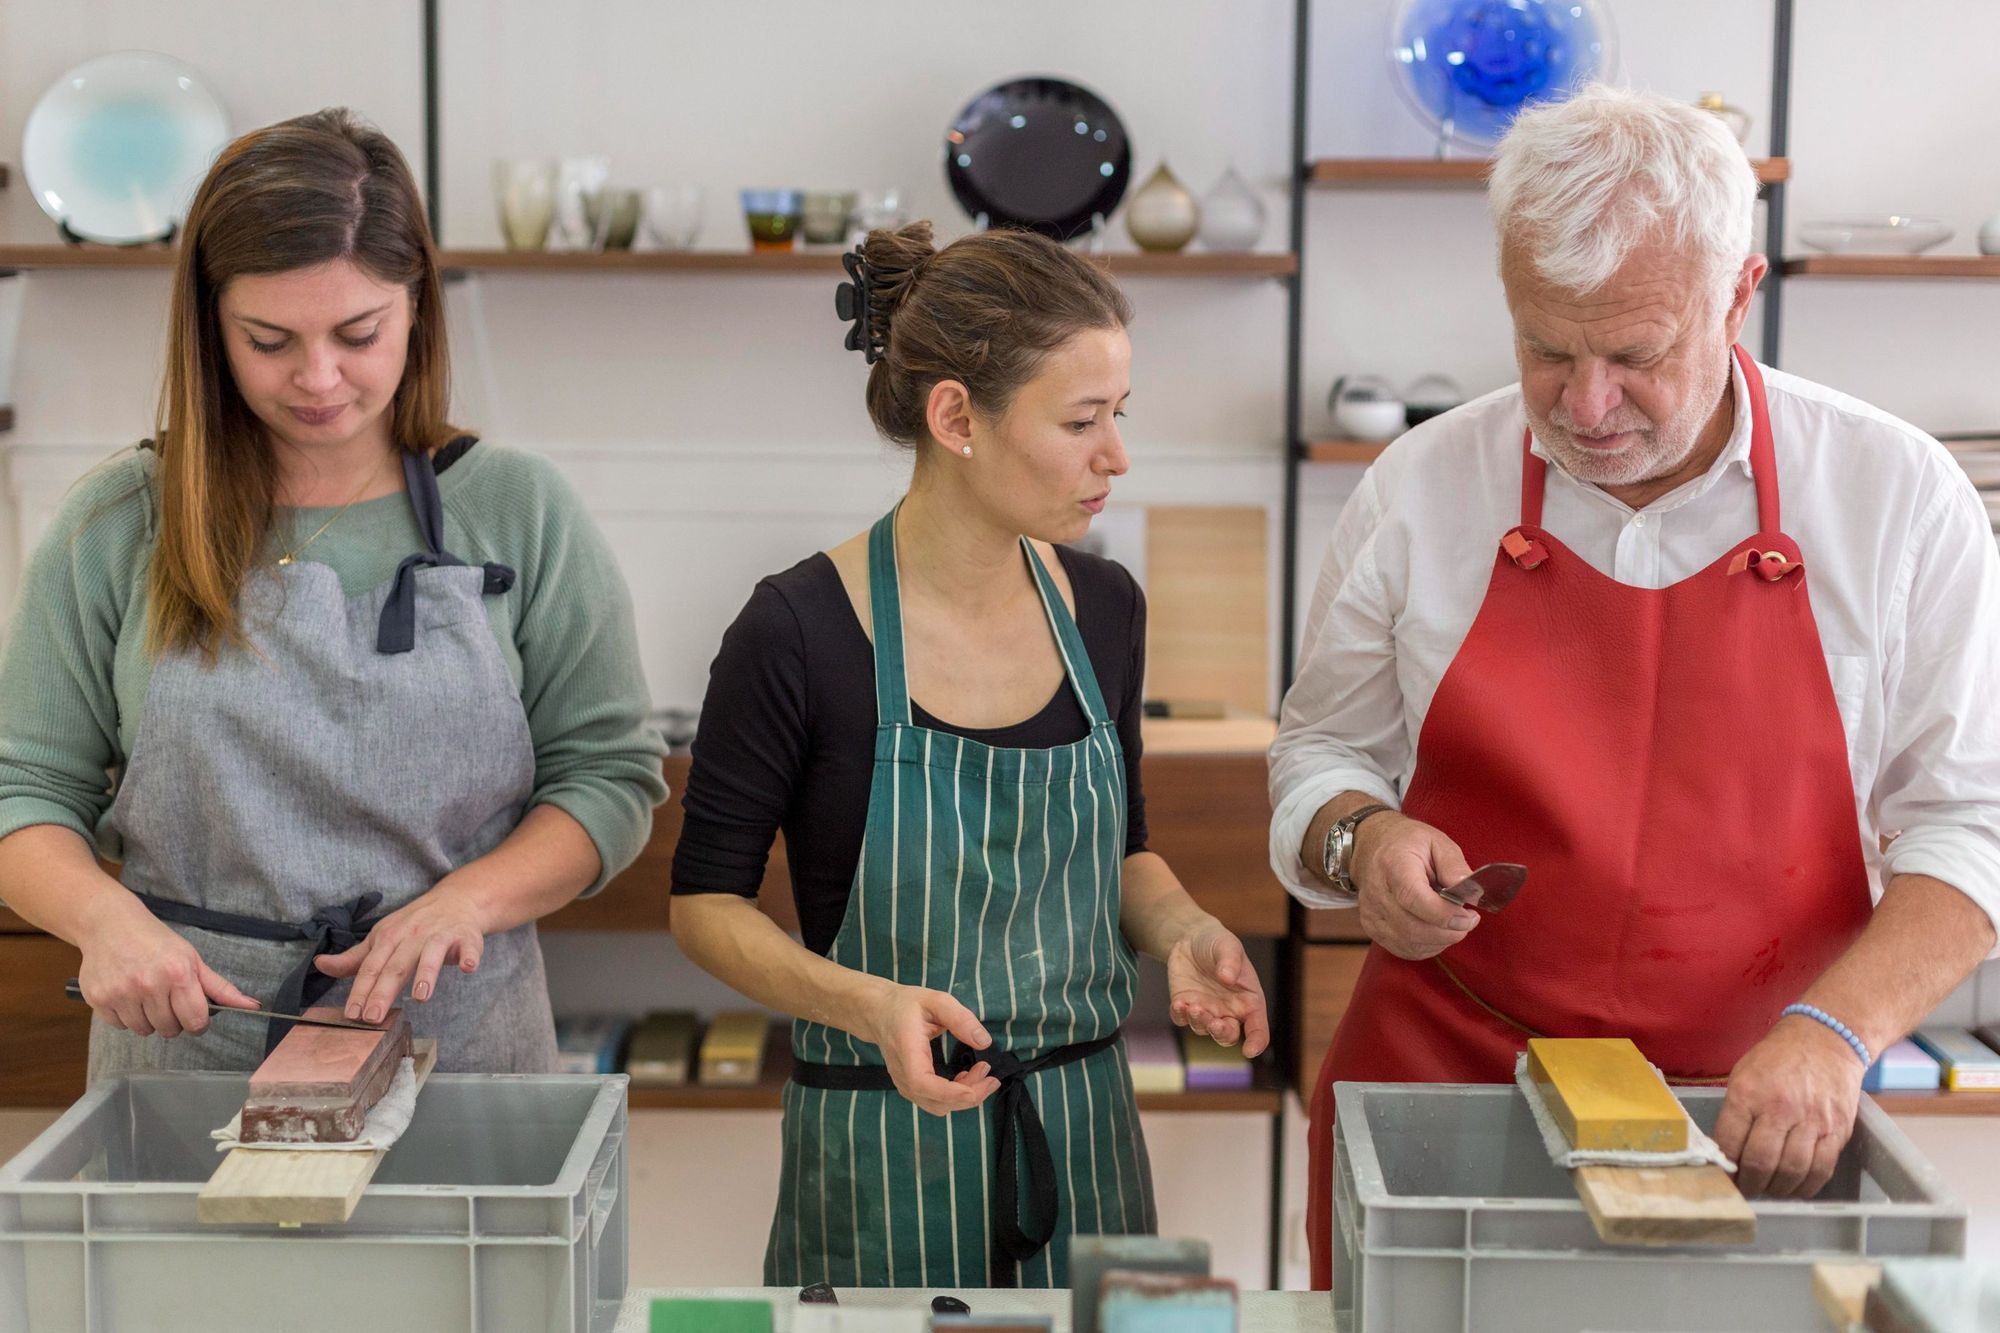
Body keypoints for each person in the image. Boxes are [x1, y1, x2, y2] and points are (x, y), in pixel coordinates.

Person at [1268, 85, 2000, 1287]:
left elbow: (1969, 828)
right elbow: (1317, 756)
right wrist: (1359, 840)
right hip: (1440, 1086)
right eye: (1545, 349)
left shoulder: (1893, 497)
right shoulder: (1417, 488)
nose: (1586, 404)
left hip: (1758, 1110)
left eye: (1634, 354)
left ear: (1739, 294)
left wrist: (1831, 1033)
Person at [0, 109, 667, 1079]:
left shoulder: (519, 508)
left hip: (458, 1047)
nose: (319, 379)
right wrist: (103, 919)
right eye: (269, 339)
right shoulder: (116, 523)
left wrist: (467, 902)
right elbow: (24, 791)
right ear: (210, 328)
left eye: (359, 333)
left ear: (417, 310)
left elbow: (607, 775)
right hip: (188, 1053)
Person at [672, 222, 1271, 1289]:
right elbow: (704, 906)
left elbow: (1123, 850)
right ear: (955, 416)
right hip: (880, 1145)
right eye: (1080, 421)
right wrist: (868, 1005)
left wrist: (1180, 929)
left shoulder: (1105, 609)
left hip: (1085, 1140)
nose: (1115, 456)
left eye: (1117, 416)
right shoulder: (797, 630)